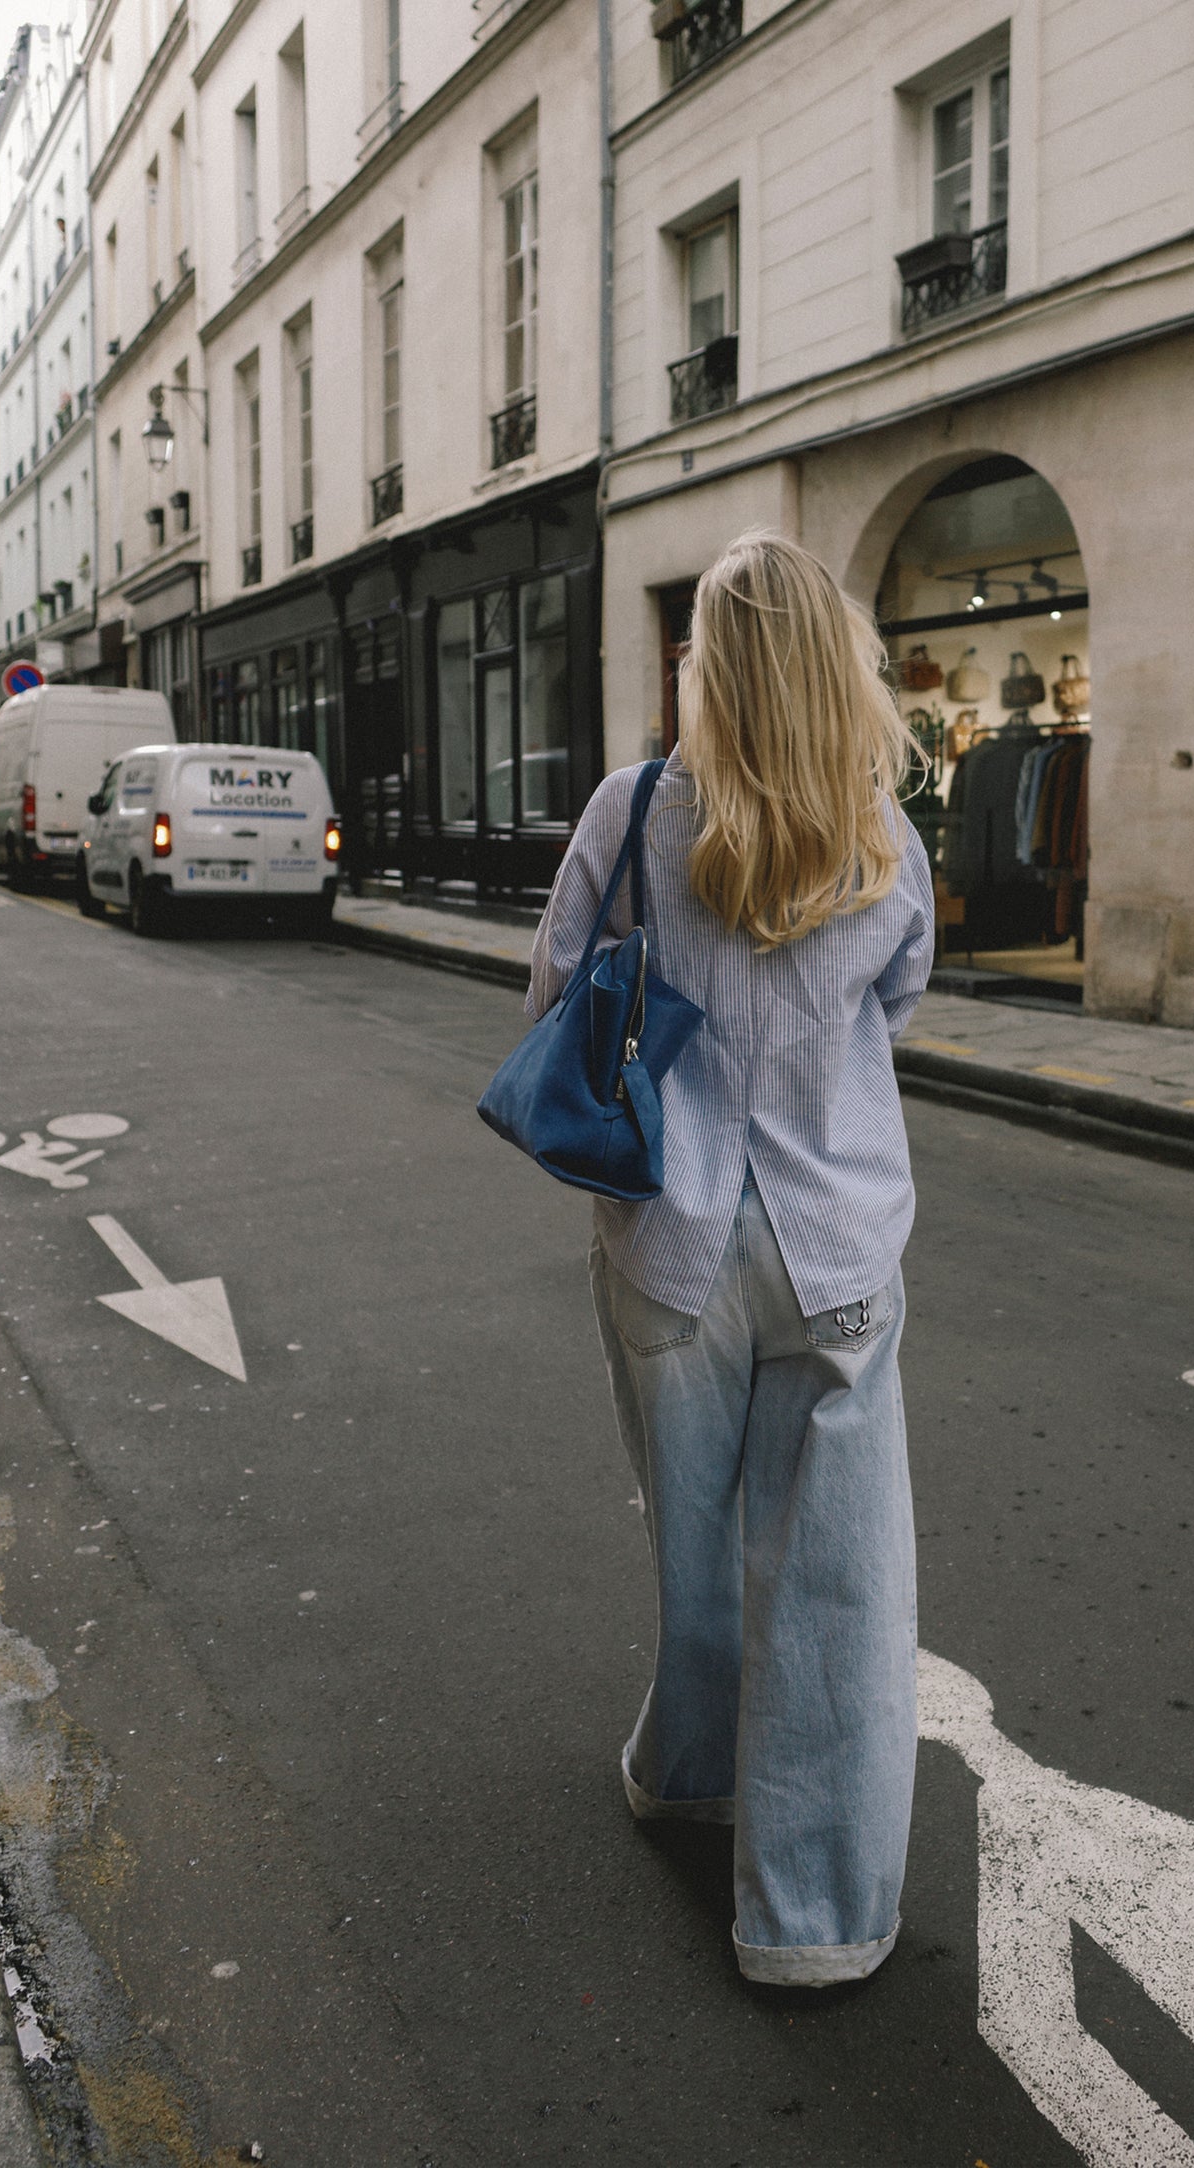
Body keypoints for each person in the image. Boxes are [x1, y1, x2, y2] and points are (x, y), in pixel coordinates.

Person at [528, 530, 934, 1986]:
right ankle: (813, 1919)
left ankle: (688, 1773)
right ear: (837, 667)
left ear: (708, 665)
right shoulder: (882, 830)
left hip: (668, 1238)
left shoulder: (635, 808)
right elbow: (894, 1001)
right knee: (835, 1589)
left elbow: (557, 991)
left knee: (691, 1544)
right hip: (833, 1242)